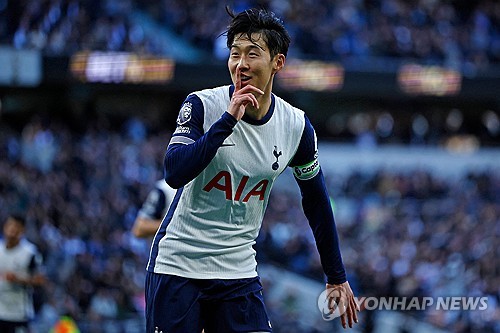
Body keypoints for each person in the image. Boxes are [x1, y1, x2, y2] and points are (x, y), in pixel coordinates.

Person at [146, 7, 359, 332]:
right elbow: (174, 171)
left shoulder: (296, 127)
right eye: (235, 54)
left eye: (252, 54)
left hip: (238, 271)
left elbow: (316, 201)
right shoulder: (203, 105)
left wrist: (336, 276)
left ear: (278, 62)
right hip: (179, 266)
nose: (241, 64)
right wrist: (227, 121)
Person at [0, 214, 46, 333]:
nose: (12, 229)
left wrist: (18, 279)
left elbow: (40, 280)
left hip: (18, 313)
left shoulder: (30, 253)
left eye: (16, 226)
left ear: (22, 230)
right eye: (9, 225)